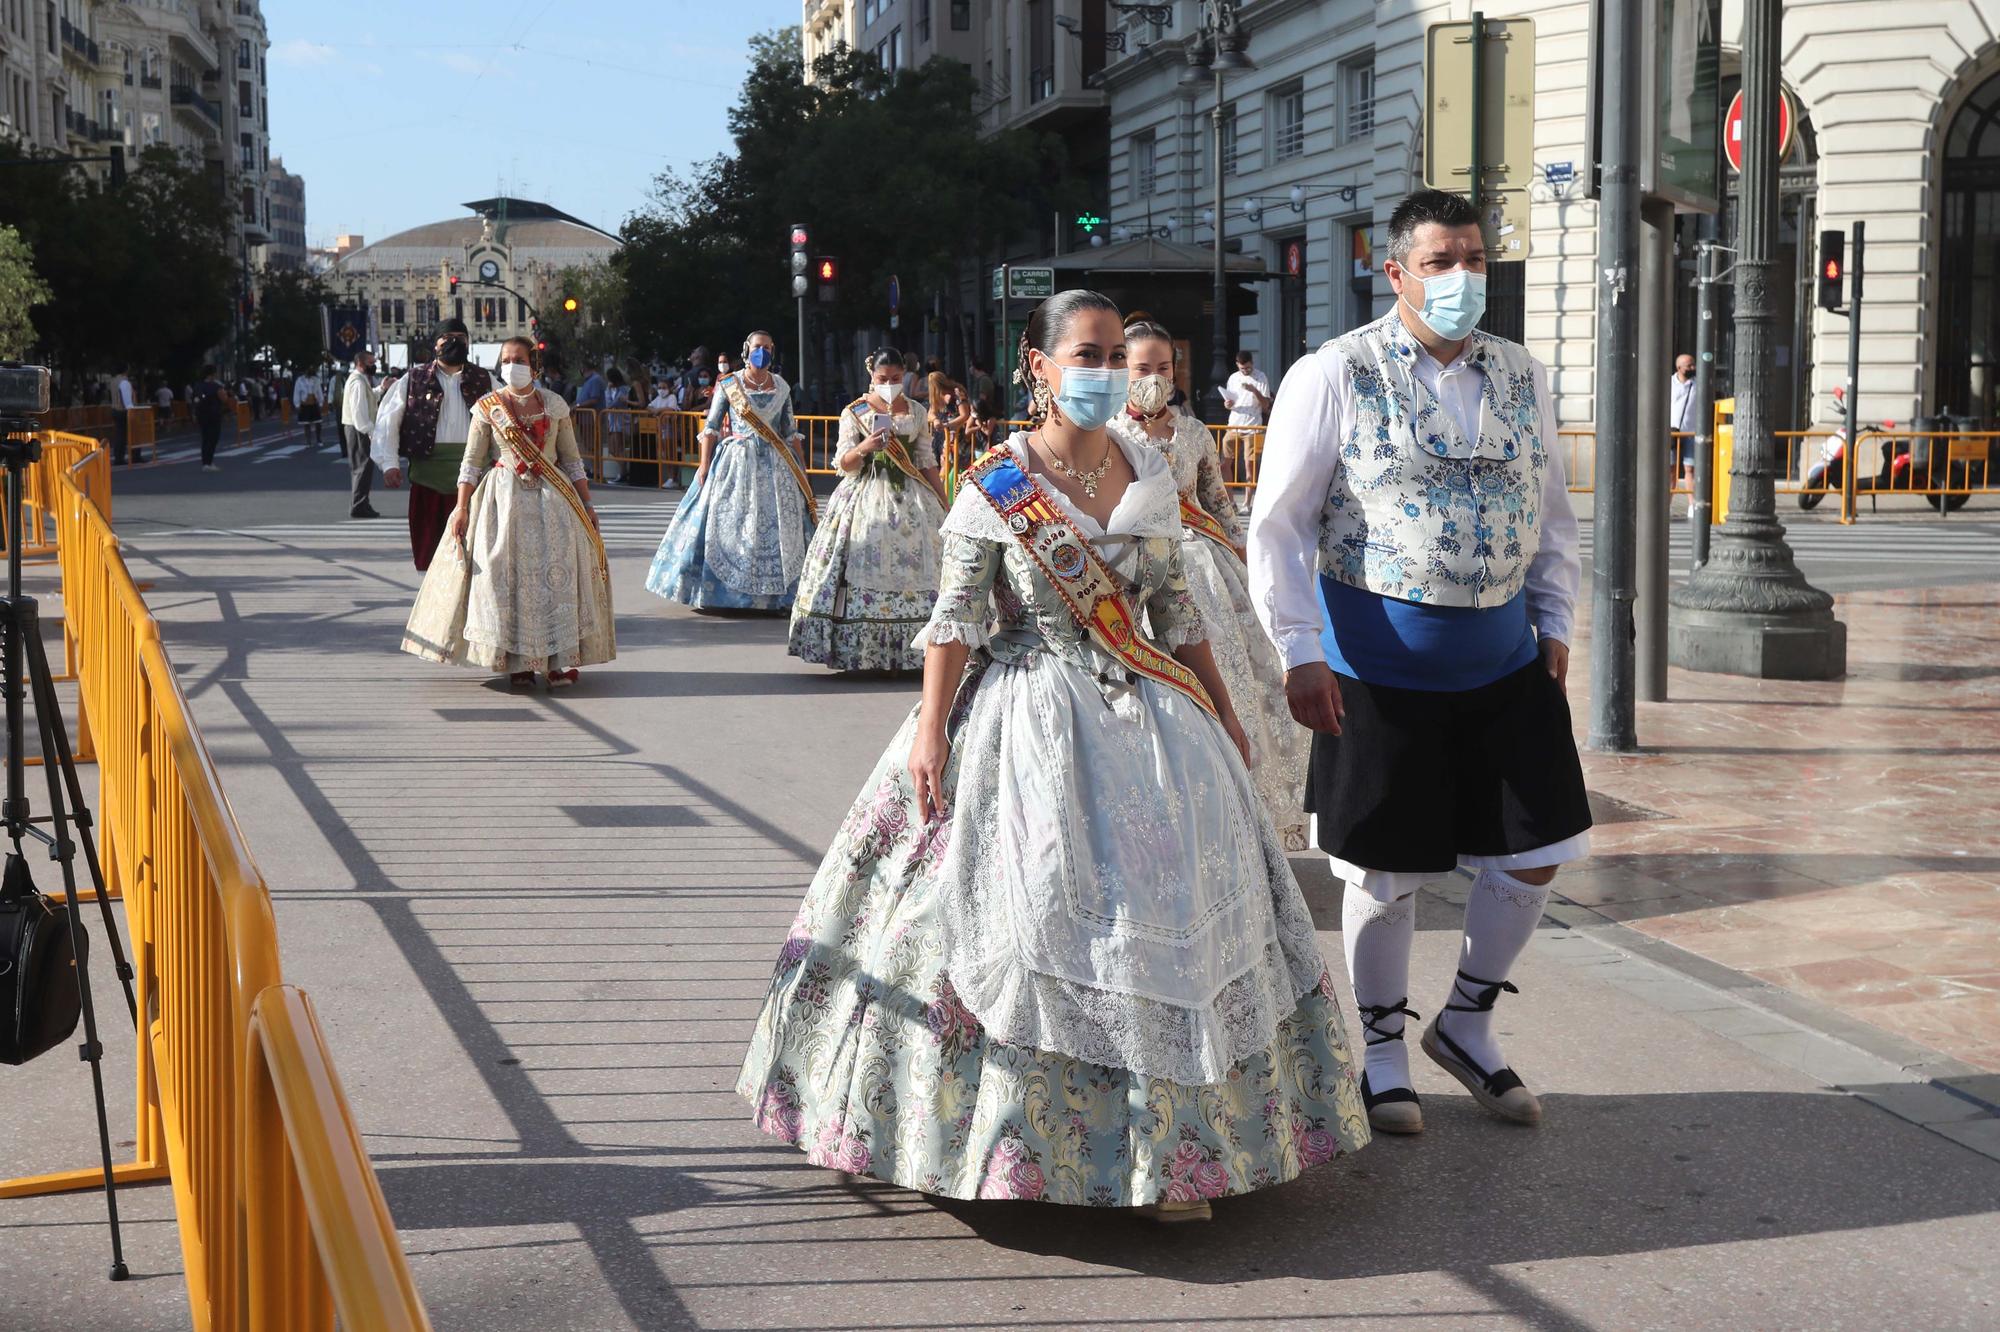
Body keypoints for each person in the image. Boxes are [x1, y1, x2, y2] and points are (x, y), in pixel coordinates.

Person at [738, 290, 1368, 1218]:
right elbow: (955, 620)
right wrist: (927, 730)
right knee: (1026, 906)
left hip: (1157, 721)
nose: (1107, 371)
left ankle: (1177, 1157)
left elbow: (1176, 612)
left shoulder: (1150, 464)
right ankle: (1019, 1145)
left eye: (1117, 354)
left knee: (1177, 922)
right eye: (1087, 354)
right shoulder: (997, 479)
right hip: (1026, 714)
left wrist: (1226, 714)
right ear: (1039, 367)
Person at [1247, 188, 1591, 1137]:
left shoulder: (1522, 374)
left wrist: (1555, 618)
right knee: (1384, 872)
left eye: (1475, 258)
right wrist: (1298, 648)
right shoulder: (1335, 373)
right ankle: (1385, 1053)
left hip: (1505, 662)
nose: (1463, 278)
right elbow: (1278, 524)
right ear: (1393, 272)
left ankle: (1469, 1023)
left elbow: (1552, 511)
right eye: (1440, 261)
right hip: (1378, 668)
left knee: (1537, 853)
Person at [1111, 320, 1310, 850]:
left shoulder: (1196, 432)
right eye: (1141, 369)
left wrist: (1247, 562)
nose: (1154, 377)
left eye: (1163, 367)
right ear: (1121, 372)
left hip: (1208, 567)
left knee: (1242, 684)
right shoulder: (1107, 434)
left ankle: (1245, 824)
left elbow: (1217, 503)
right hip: (1138, 567)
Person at [402, 336, 615, 690]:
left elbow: (572, 461)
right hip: (502, 501)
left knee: (556, 581)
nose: (510, 365)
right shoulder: (488, 407)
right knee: (503, 582)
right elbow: (471, 463)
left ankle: (558, 663)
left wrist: (588, 505)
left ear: (534, 366)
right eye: (505, 359)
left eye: (517, 359)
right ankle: (515, 662)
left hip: (553, 501)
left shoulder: (555, 405)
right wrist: (460, 508)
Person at [788, 347, 946, 672]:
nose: (889, 384)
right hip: (864, 496)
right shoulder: (855, 412)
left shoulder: (916, 411)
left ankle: (921, 649)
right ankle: (862, 648)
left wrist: (947, 504)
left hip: (913, 499)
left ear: (905, 375)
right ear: (871, 376)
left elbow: (927, 462)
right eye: (883, 379)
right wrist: (865, 446)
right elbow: (843, 462)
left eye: (896, 378)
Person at [646, 331, 815, 611]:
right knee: (730, 522)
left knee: (779, 528)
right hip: (736, 461)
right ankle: (723, 595)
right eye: (758, 347)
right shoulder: (730, 384)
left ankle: (779, 598)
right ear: (747, 349)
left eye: (768, 348)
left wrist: (802, 471)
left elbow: (790, 432)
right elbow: (711, 427)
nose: (763, 352)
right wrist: (703, 465)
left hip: (776, 466)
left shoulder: (782, 386)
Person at [372, 319, 496, 571]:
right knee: (430, 555)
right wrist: (389, 464)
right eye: (447, 337)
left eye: (461, 337)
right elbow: (388, 421)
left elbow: (503, 421)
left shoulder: (485, 379)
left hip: (474, 480)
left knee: (474, 556)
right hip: (427, 478)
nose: (454, 342)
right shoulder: (413, 379)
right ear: (435, 344)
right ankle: (432, 606)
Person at [342, 351, 382, 517]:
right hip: (358, 429)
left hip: (358, 428)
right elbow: (359, 411)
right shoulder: (357, 382)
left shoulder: (361, 379)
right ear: (360, 363)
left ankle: (362, 503)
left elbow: (369, 397)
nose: (374, 366)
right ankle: (358, 505)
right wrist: (369, 431)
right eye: (371, 363)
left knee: (364, 468)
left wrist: (381, 389)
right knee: (362, 468)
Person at [1221, 351, 1272, 475]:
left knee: (1250, 465)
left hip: (1252, 428)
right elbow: (1229, 401)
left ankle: (1248, 495)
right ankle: (1228, 494)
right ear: (1237, 365)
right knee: (1225, 463)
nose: (1245, 371)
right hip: (1234, 426)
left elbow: (1266, 405)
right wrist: (1227, 404)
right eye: (1242, 368)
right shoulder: (1233, 378)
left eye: (1248, 367)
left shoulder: (1260, 377)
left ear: (1252, 363)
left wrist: (1254, 390)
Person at [191, 365, 232, 473]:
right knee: (213, 438)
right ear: (212, 374)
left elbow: (194, 400)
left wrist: (194, 414)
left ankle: (205, 463)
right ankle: (209, 462)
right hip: (213, 415)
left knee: (205, 439)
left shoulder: (198, 385)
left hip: (201, 414)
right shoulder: (216, 386)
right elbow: (224, 399)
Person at [1670, 352, 1697, 485]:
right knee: (1670, 469)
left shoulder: (1698, 384)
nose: (1693, 368)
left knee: (1690, 469)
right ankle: (1666, 503)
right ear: (1679, 368)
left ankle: (1692, 505)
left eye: (1693, 364)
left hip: (1692, 432)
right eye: (1689, 365)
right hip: (1672, 431)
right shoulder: (1669, 384)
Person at [294, 366, 326, 448]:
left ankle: (319, 439)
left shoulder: (316, 380)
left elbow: (319, 391)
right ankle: (308, 441)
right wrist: (297, 404)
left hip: (314, 403)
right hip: (305, 403)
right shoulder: (300, 380)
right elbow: (297, 392)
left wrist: (321, 402)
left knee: (318, 422)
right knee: (306, 424)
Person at [111, 365, 137, 464]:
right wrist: (132, 411)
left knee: (119, 435)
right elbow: (127, 400)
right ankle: (135, 456)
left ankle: (118, 457)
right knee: (133, 433)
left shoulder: (113, 381)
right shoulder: (124, 382)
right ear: (126, 370)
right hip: (123, 410)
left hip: (115, 409)